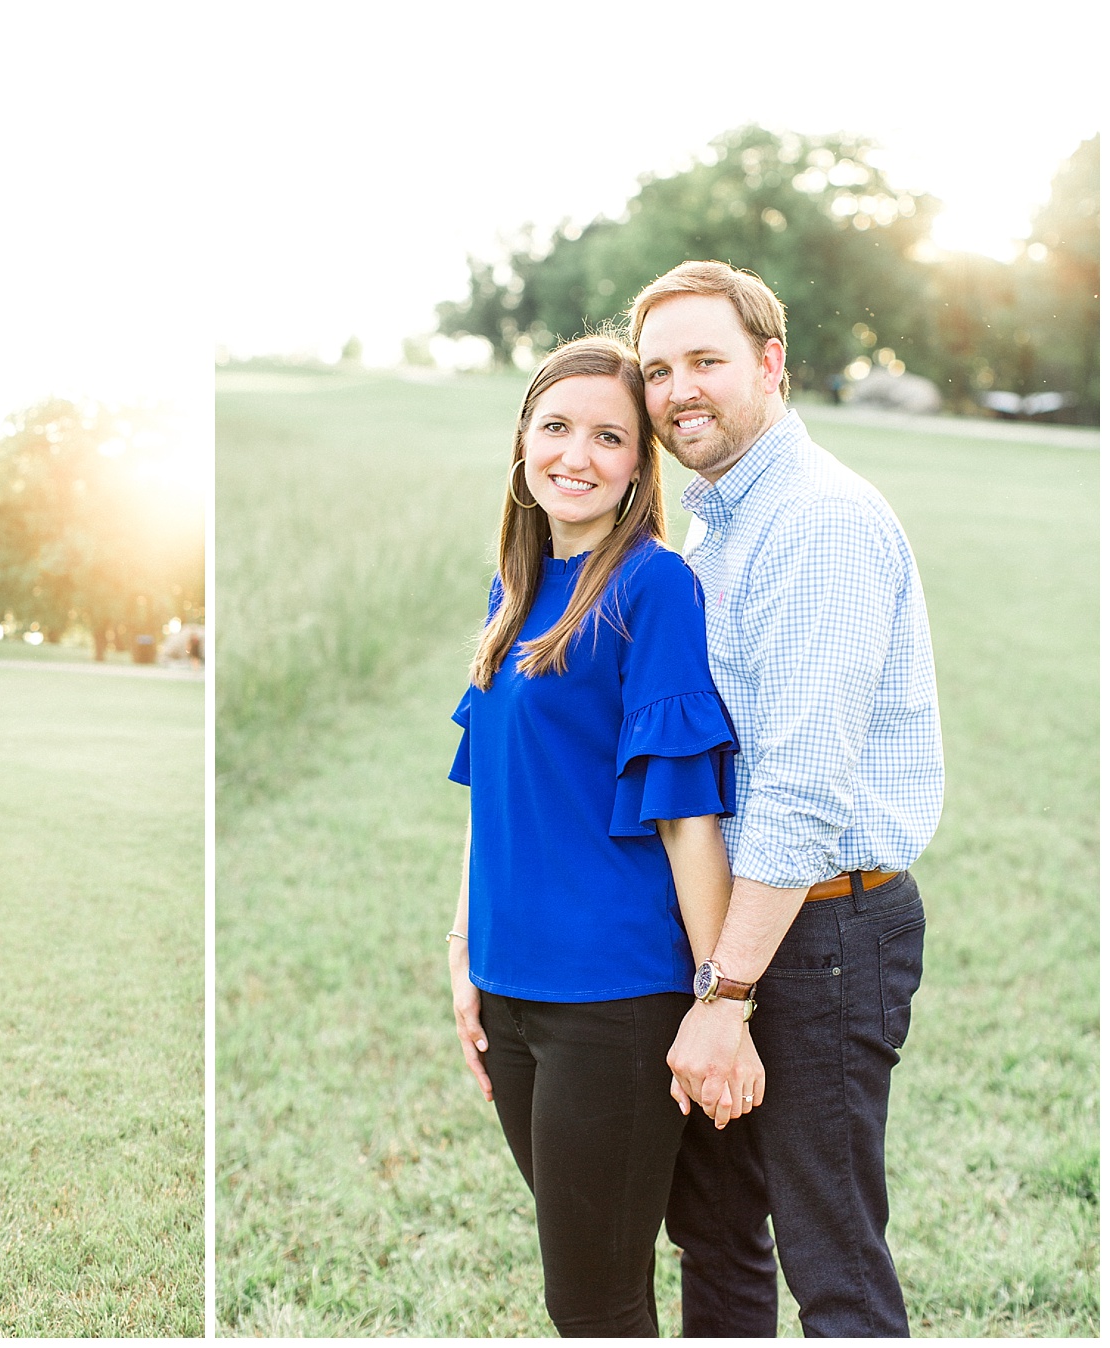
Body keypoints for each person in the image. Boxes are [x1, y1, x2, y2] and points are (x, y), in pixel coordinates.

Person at [631, 261, 943, 1337]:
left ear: (771, 363)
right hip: (737, 934)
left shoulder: (817, 523)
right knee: (716, 1242)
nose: (679, 390)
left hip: (820, 935)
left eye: (706, 360)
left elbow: (805, 792)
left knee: (833, 1259)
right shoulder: (714, 527)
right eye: (658, 369)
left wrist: (725, 1000)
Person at [446, 335, 753, 1336]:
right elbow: (489, 794)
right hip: (509, 989)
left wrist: (720, 1003)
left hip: (611, 1002)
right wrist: (462, 952)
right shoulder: (512, 587)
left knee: (596, 1302)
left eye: (609, 436)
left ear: (638, 463)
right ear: (523, 441)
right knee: (585, 1283)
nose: (576, 455)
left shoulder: (652, 588)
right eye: (557, 427)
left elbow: (688, 816)